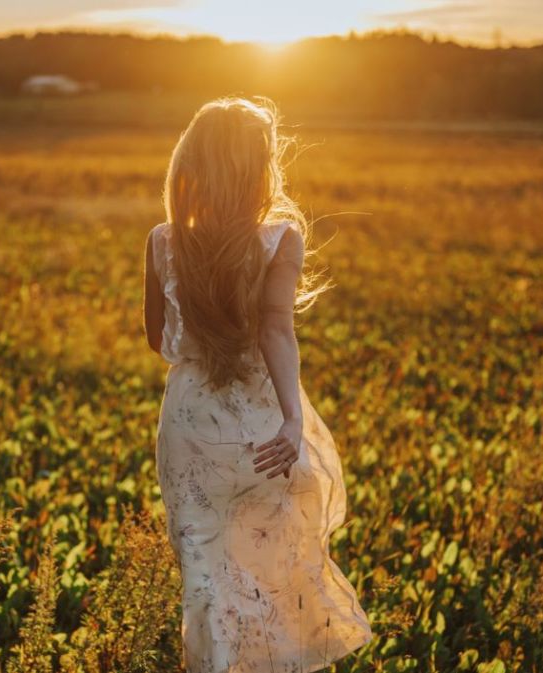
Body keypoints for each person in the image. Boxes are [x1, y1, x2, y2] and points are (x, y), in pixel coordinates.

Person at [143, 95, 374, 672]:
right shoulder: (280, 239)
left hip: (190, 426)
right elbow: (276, 330)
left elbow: (157, 340)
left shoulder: (162, 241)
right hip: (261, 427)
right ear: (257, 168)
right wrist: (293, 420)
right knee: (273, 564)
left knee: (203, 570)